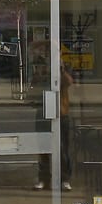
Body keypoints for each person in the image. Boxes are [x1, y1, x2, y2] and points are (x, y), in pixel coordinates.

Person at [34, 60, 74, 190]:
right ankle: (44, 178)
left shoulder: (63, 73)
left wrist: (61, 70)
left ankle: (65, 178)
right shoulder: (42, 73)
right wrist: (42, 73)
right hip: (44, 113)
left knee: (62, 149)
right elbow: (34, 88)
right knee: (43, 148)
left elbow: (69, 82)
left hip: (60, 114)